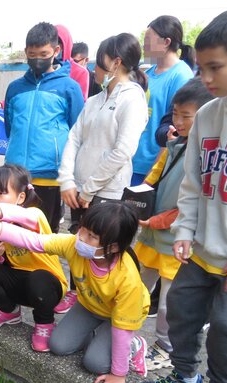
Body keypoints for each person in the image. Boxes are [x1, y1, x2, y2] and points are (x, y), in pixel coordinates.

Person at [135, 11, 227, 383]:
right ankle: (187, 380)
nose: (206, 77)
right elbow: (193, 185)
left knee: (225, 330)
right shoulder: (208, 117)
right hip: (201, 249)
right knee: (182, 313)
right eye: (204, 66)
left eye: (216, 68)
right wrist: (186, 232)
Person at [0, 200, 149, 383]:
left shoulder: (127, 280)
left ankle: (135, 345)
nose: (81, 238)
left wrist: (118, 374)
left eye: (92, 237)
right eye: (82, 229)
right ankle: (97, 338)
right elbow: (31, 240)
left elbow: (122, 329)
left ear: (113, 247)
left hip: (118, 317)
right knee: (59, 346)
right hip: (89, 305)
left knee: (95, 364)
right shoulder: (74, 245)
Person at [56, 33, 149, 315]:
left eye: (100, 62)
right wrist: (68, 181)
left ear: (116, 62)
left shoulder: (132, 99)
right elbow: (74, 139)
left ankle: (110, 304)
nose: (94, 68)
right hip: (79, 190)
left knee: (104, 248)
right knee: (80, 242)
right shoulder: (95, 100)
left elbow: (122, 152)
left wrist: (89, 189)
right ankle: (77, 292)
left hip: (107, 193)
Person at [133, 78, 213, 370]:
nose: (177, 121)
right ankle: (125, 329)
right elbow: (154, 176)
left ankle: (165, 346)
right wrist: (136, 199)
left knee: (169, 302)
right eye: (175, 114)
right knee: (138, 284)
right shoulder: (172, 144)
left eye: (185, 116)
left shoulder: (207, 154)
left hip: (176, 241)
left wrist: (155, 219)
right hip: (152, 236)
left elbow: (191, 205)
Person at [0, 165, 67, 352]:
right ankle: (8, 311)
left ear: (21, 197)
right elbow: (0, 263)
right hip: (18, 283)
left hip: (47, 287)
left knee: (38, 278)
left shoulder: (34, 216)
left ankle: (45, 323)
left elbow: (16, 214)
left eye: (2, 193)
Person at [4, 22, 84, 233]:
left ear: (56, 51)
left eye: (43, 53)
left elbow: (77, 132)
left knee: (44, 234)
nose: (37, 59)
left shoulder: (69, 88)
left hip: (50, 175)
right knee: (12, 232)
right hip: (16, 174)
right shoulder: (15, 88)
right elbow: (10, 127)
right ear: (26, 52)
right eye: (32, 54)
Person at [131, 15, 194, 186]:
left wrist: (153, 173)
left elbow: (173, 127)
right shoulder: (148, 74)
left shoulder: (181, 75)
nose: (144, 44)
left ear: (166, 42)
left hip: (152, 167)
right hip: (132, 161)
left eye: (148, 39)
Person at [56, 25, 89, 100]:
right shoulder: (43, 68)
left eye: (60, 44)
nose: (57, 49)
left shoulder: (81, 72)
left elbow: (80, 103)